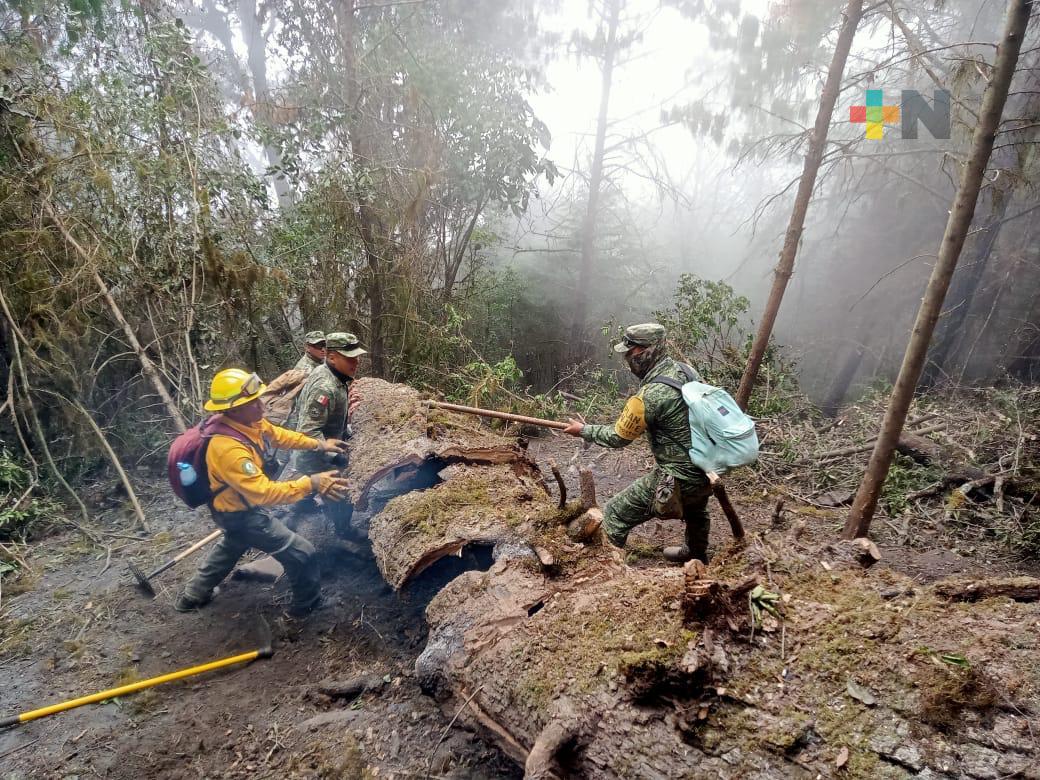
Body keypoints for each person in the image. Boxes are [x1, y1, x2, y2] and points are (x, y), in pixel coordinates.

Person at [175, 368, 350, 615]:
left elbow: (279, 435)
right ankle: (306, 606)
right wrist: (311, 483)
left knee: (232, 545)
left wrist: (319, 444)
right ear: (234, 409)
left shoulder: (248, 422)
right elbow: (264, 493)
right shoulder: (228, 450)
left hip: (234, 509)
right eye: (252, 401)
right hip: (242, 514)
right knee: (302, 553)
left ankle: (192, 596)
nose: (260, 404)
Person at [562, 323, 713, 563]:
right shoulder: (685, 370)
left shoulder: (651, 394)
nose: (627, 360)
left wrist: (584, 430)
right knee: (697, 511)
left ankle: (607, 567)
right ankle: (695, 554)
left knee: (614, 514)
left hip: (677, 477)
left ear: (648, 351)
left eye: (630, 353)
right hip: (706, 468)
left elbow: (617, 437)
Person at [287, 332, 366, 535]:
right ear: (332, 357)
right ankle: (343, 533)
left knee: (309, 490)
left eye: (357, 357)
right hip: (315, 458)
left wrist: (345, 431)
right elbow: (309, 429)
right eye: (349, 358)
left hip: (317, 452)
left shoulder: (333, 375)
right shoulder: (325, 386)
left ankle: (299, 508)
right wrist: (334, 456)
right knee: (342, 493)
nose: (356, 362)